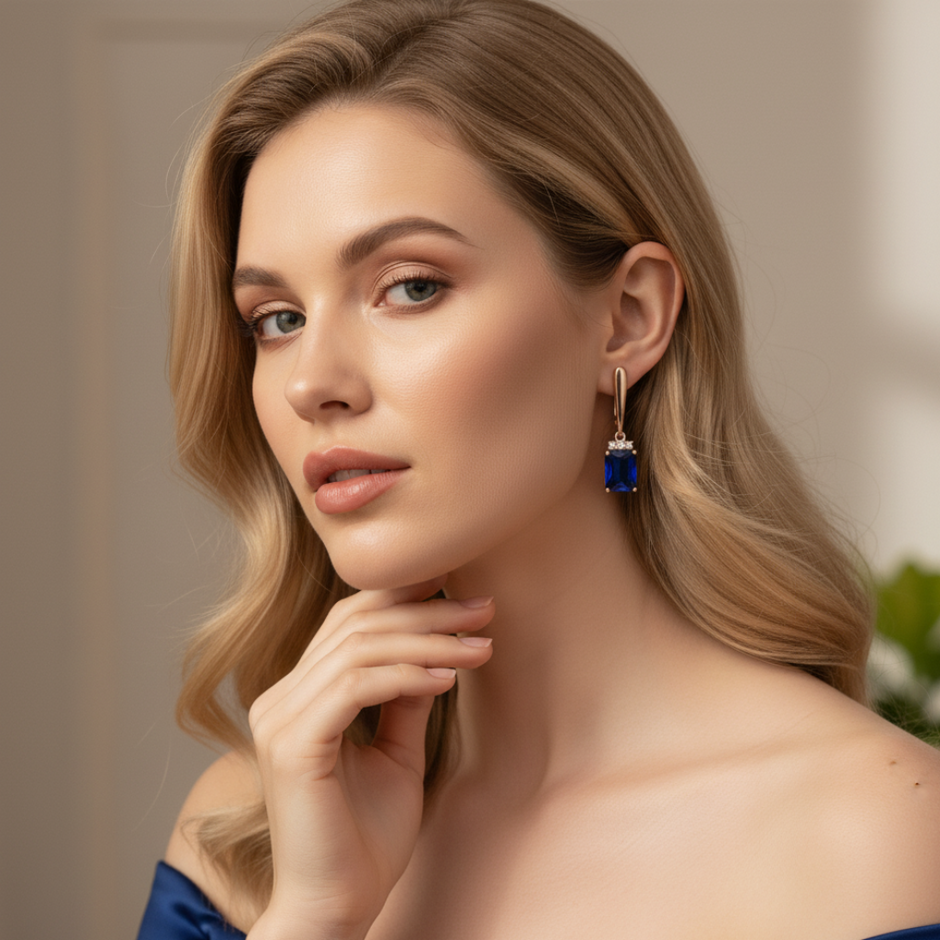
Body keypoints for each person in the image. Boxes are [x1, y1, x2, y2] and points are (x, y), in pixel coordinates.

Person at [137, 0, 940, 937]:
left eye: (410, 287)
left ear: (629, 316)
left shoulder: (879, 836)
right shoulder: (251, 834)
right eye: (276, 319)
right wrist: (314, 913)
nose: (313, 381)